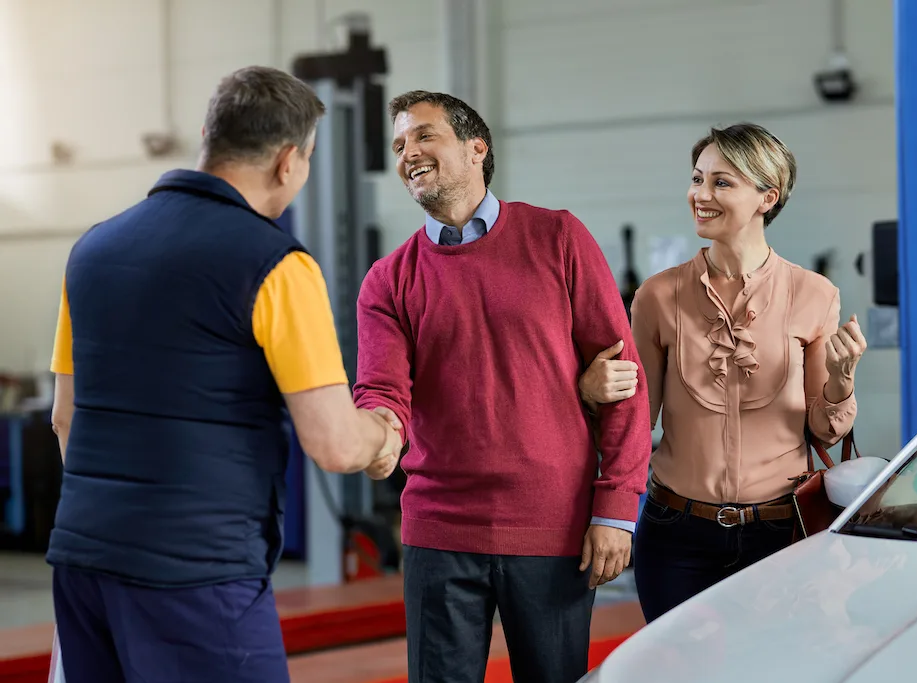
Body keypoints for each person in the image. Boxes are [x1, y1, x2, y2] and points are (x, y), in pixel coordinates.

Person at [46, 65, 402, 683]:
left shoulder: (93, 250)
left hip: (82, 560)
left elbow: (64, 416)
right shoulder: (276, 265)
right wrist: (385, 434)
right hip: (198, 572)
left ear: (210, 133)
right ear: (289, 162)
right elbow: (335, 443)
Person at [352, 90, 652, 683]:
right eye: (399, 144)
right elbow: (382, 389)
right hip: (439, 528)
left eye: (423, 136)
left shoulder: (558, 238)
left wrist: (617, 509)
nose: (407, 152)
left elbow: (624, 381)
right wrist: (379, 432)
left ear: (476, 148)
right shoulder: (388, 280)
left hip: (554, 524)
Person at [579, 122, 866, 623]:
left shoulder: (814, 293)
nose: (700, 194)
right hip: (675, 536)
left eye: (722, 182)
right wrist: (590, 392)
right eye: (697, 179)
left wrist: (842, 380)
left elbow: (824, 427)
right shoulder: (657, 295)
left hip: (781, 533)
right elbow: (633, 421)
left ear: (766, 197)